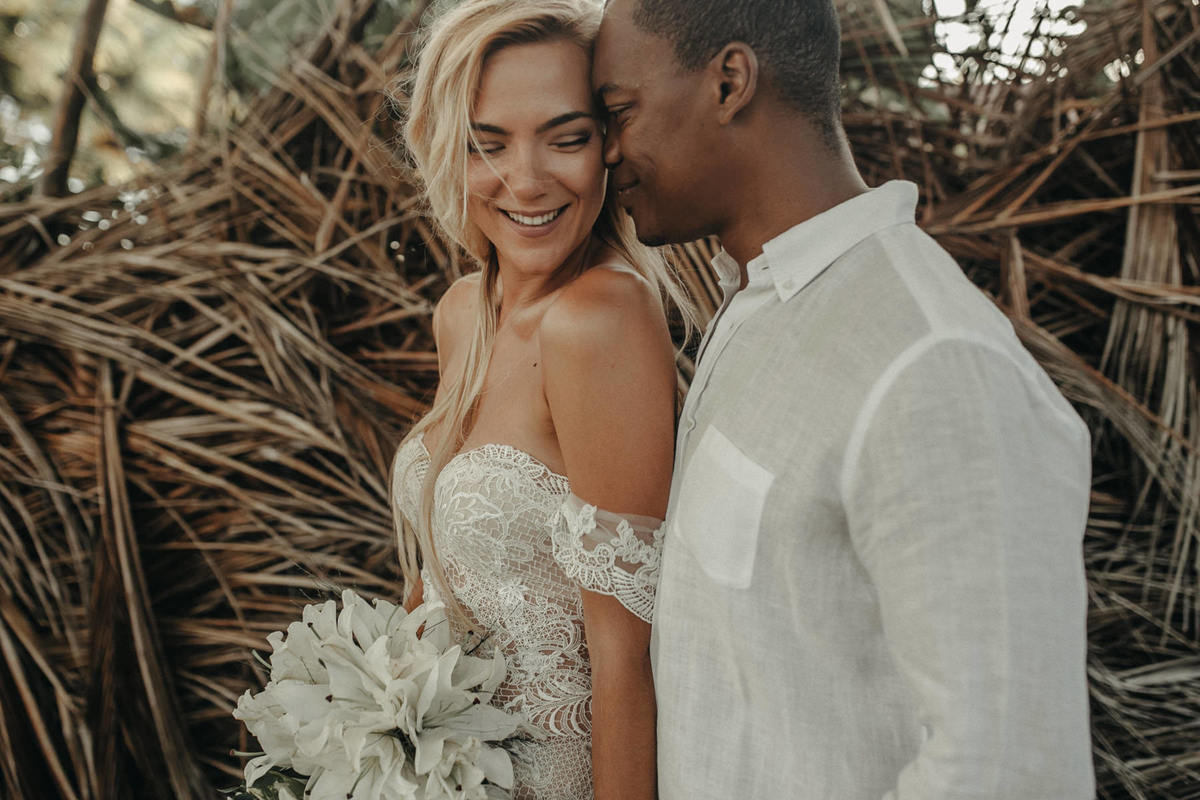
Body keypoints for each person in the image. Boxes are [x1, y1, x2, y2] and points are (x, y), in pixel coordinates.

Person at [592, 1, 1095, 798]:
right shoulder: (761, 303)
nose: (607, 152)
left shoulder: (934, 363)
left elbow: (1009, 767)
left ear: (730, 81)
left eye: (619, 112)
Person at [389, 1, 693, 798]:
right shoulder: (461, 312)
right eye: (486, 145)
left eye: (567, 138)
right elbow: (439, 576)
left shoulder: (602, 321)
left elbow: (628, 654)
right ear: (443, 150)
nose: (526, 181)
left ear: (608, 147)